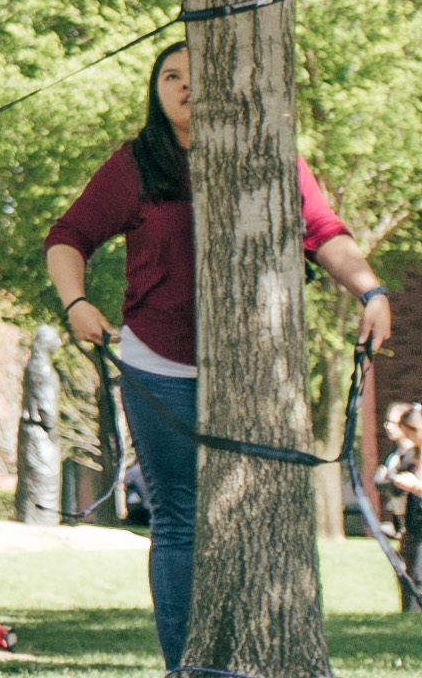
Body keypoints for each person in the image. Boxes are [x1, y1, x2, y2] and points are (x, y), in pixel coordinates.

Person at [44, 39, 393, 672]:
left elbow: (325, 233)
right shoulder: (136, 163)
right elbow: (69, 237)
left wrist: (371, 291)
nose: (183, 85)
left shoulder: (270, 158)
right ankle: (188, 665)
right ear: (156, 91)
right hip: (160, 368)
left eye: (196, 75)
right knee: (179, 521)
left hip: (257, 374)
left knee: (261, 515)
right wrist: (75, 304)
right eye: (169, 76)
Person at [381, 402, 422, 612]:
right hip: (413, 524)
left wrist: (414, 486)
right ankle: (410, 616)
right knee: (409, 574)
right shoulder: (410, 455)